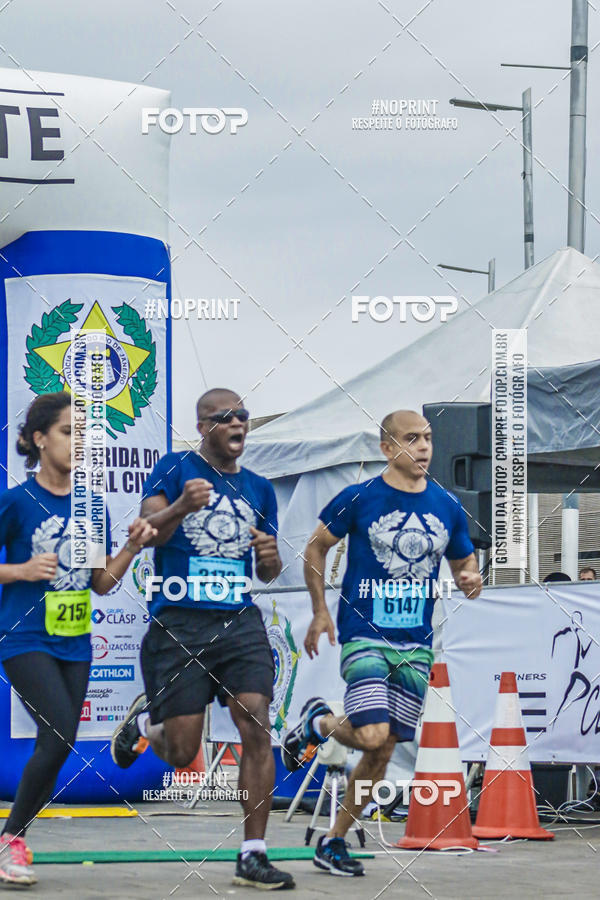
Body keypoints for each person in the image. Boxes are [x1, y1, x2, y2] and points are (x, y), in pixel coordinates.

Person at [282, 409, 482, 876]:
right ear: (387, 448)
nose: (424, 447)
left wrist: (471, 578)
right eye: (412, 439)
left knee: (384, 749)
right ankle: (319, 722)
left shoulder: (447, 505)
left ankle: (333, 842)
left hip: (415, 645)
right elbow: (315, 547)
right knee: (371, 734)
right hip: (364, 636)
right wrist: (319, 611)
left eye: (428, 438)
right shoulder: (360, 497)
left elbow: (464, 565)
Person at [110, 388, 295, 891]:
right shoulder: (174, 468)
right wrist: (181, 508)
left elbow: (268, 570)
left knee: (256, 723)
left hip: (238, 621)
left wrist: (270, 554)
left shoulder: (260, 488)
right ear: (203, 428)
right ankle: (148, 726)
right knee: (181, 747)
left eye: (243, 417)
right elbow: (147, 531)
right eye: (225, 418)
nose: (238, 424)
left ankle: (253, 853)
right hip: (180, 624)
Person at [0, 392, 156, 887]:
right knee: (61, 734)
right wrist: (21, 569)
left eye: (86, 435)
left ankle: (13, 841)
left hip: (75, 638)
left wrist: (131, 546)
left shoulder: (92, 506)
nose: (79, 443)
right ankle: (10, 842)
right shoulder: (17, 501)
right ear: (40, 439)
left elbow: (99, 583)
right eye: (69, 432)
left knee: (58, 742)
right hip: (24, 635)